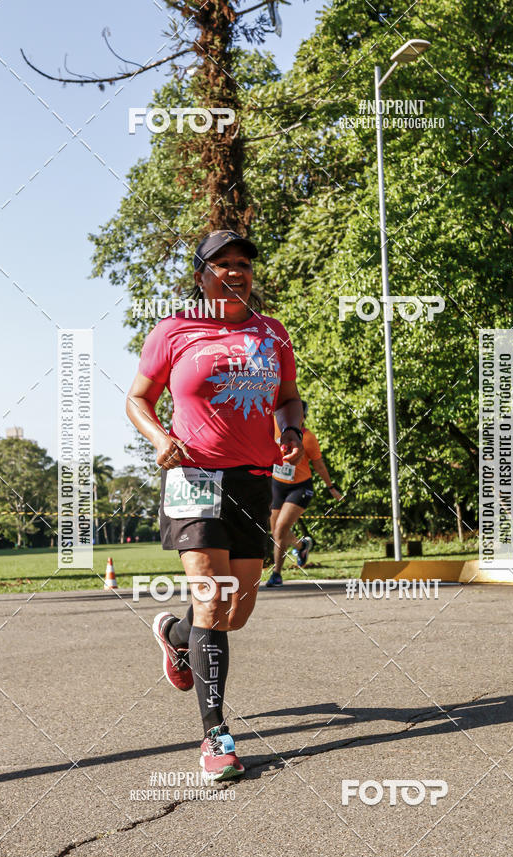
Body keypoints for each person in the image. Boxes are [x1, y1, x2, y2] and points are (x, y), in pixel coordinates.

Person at [126, 229, 303, 783]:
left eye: (243, 262)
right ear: (201, 275)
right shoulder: (174, 330)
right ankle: (215, 736)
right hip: (193, 476)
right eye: (221, 263)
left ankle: (174, 636)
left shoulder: (272, 333)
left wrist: (291, 428)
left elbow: (288, 396)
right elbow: (137, 399)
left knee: (236, 613)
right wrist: (159, 438)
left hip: (254, 481)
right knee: (212, 600)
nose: (235, 270)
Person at [267, 402, 342, 586]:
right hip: (277, 485)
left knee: (280, 530)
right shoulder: (274, 427)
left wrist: (331, 487)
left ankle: (276, 574)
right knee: (276, 530)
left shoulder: (308, 438)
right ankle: (301, 546)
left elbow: (319, 465)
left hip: (300, 488)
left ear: (303, 418)